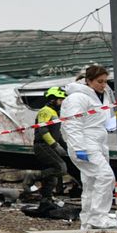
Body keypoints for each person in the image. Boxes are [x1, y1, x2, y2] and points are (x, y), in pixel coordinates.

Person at [60, 64, 117, 231]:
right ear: (88, 81)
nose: (103, 85)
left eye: (105, 81)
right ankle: (98, 218)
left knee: (91, 183)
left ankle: (87, 221)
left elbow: (101, 119)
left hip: (99, 141)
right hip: (85, 143)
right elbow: (72, 124)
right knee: (106, 177)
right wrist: (78, 147)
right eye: (100, 81)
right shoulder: (77, 98)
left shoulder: (103, 95)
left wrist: (112, 126)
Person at [29, 86, 71, 214]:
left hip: (47, 145)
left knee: (52, 178)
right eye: (61, 100)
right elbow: (43, 130)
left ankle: (46, 201)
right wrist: (54, 145)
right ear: (53, 99)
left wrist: (67, 148)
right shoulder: (45, 111)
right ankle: (33, 176)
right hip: (42, 145)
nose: (62, 102)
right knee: (60, 167)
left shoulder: (55, 113)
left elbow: (58, 134)